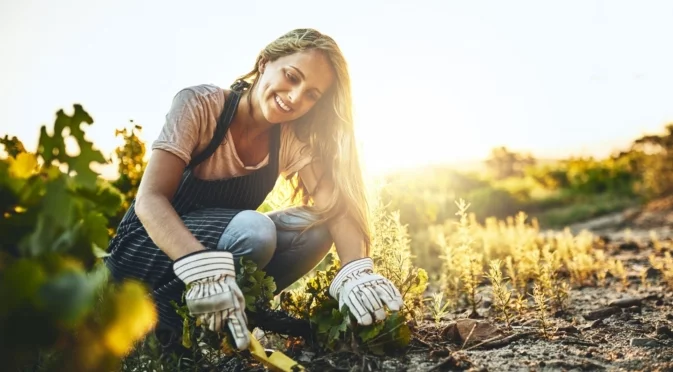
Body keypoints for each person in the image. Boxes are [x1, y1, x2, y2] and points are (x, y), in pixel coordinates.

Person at [104, 28, 404, 354]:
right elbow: (150, 200)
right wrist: (203, 268)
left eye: (311, 94)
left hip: (212, 265)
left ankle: (218, 332)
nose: (295, 97)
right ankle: (161, 330)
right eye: (291, 77)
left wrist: (356, 269)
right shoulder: (200, 105)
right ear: (264, 62)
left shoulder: (289, 138)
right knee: (255, 231)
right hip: (138, 254)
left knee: (316, 229)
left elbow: (335, 205)